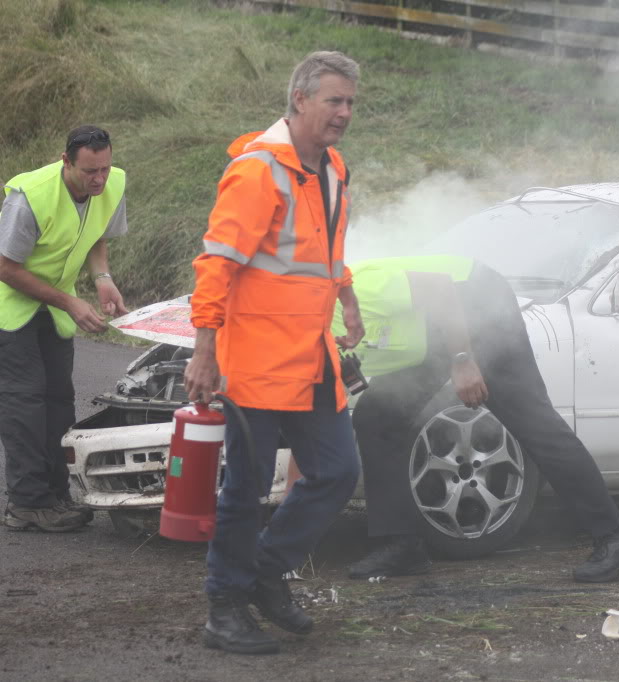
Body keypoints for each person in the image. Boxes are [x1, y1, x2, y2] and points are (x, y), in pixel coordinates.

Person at [184, 51, 365, 656]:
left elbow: (327, 250)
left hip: (311, 352)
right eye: (333, 100)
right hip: (256, 359)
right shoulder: (259, 171)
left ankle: (264, 571)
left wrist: (351, 300)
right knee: (248, 487)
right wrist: (204, 352)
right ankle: (225, 607)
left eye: (349, 103)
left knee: (339, 471)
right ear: (300, 100)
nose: (343, 113)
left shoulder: (333, 167)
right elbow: (217, 263)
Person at [339, 255, 619, 584]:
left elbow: (441, 290)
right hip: (431, 332)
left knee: (531, 422)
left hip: (473, 302)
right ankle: (401, 546)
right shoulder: (303, 339)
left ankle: (615, 537)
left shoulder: (358, 290)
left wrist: (463, 361)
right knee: (377, 417)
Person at [0, 125, 128, 533]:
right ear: (65, 162)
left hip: (53, 307)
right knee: (25, 402)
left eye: (104, 168)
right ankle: (26, 504)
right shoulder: (30, 197)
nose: (99, 179)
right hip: (9, 307)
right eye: (90, 171)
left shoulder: (113, 183)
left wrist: (102, 277)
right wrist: (70, 301)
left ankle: (56, 495)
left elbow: (97, 235)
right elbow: (5, 267)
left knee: (59, 399)